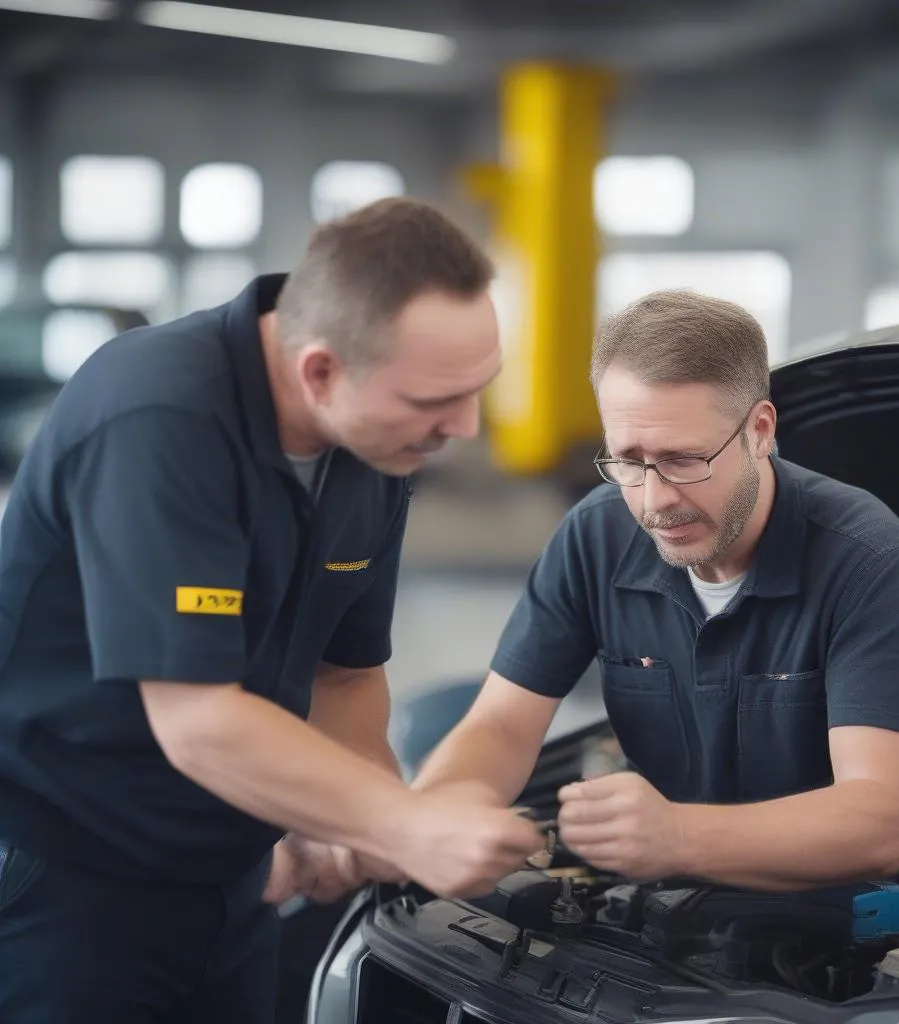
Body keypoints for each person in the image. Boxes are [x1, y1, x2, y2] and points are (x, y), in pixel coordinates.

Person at [0, 197, 542, 1023]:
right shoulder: (159, 413)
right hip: (68, 880)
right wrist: (406, 825)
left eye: (477, 392)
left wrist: (346, 819)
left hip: (238, 879)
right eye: (435, 400)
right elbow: (198, 720)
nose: (462, 428)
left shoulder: (377, 445)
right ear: (320, 370)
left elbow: (347, 675)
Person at [412, 288, 899, 894]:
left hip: (853, 946)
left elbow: (875, 824)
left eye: (684, 459)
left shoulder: (868, 560)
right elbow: (501, 728)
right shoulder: (597, 535)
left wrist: (677, 836)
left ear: (760, 430)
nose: (654, 499)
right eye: (628, 460)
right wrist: (421, 821)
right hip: (662, 919)